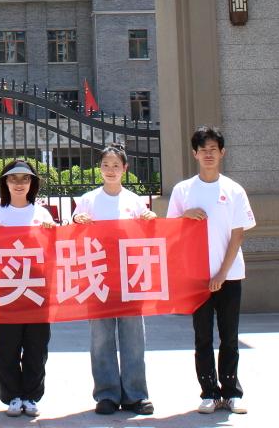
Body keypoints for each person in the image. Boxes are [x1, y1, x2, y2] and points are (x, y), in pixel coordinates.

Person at [166, 126, 255, 415]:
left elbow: (237, 235)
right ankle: (209, 392)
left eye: (213, 149)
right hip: (196, 278)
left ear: (222, 153)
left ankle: (231, 392)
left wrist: (220, 274)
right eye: (203, 149)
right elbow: (170, 231)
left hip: (228, 276)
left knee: (229, 336)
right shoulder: (183, 190)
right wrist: (184, 216)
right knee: (202, 336)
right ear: (194, 154)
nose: (208, 154)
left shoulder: (233, 189)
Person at [73, 146, 156, 416]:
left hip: (129, 276)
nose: (110, 170)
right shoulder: (87, 200)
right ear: (100, 168)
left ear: (125, 169)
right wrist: (76, 220)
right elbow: (71, 232)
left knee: (133, 337)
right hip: (97, 275)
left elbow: (147, 236)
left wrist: (150, 220)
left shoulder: (134, 201)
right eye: (106, 165)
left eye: (116, 165)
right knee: (101, 338)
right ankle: (106, 394)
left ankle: (136, 394)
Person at [0, 159, 55, 418]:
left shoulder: (42, 213)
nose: (19, 184)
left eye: (25, 179)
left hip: (36, 289)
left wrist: (52, 232)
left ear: (32, 183)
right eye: (13, 179)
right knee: (6, 346)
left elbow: (54, 249)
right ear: (5, 183)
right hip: (5, 291)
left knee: (36, 346)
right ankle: (12, 395)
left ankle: (31, 395)